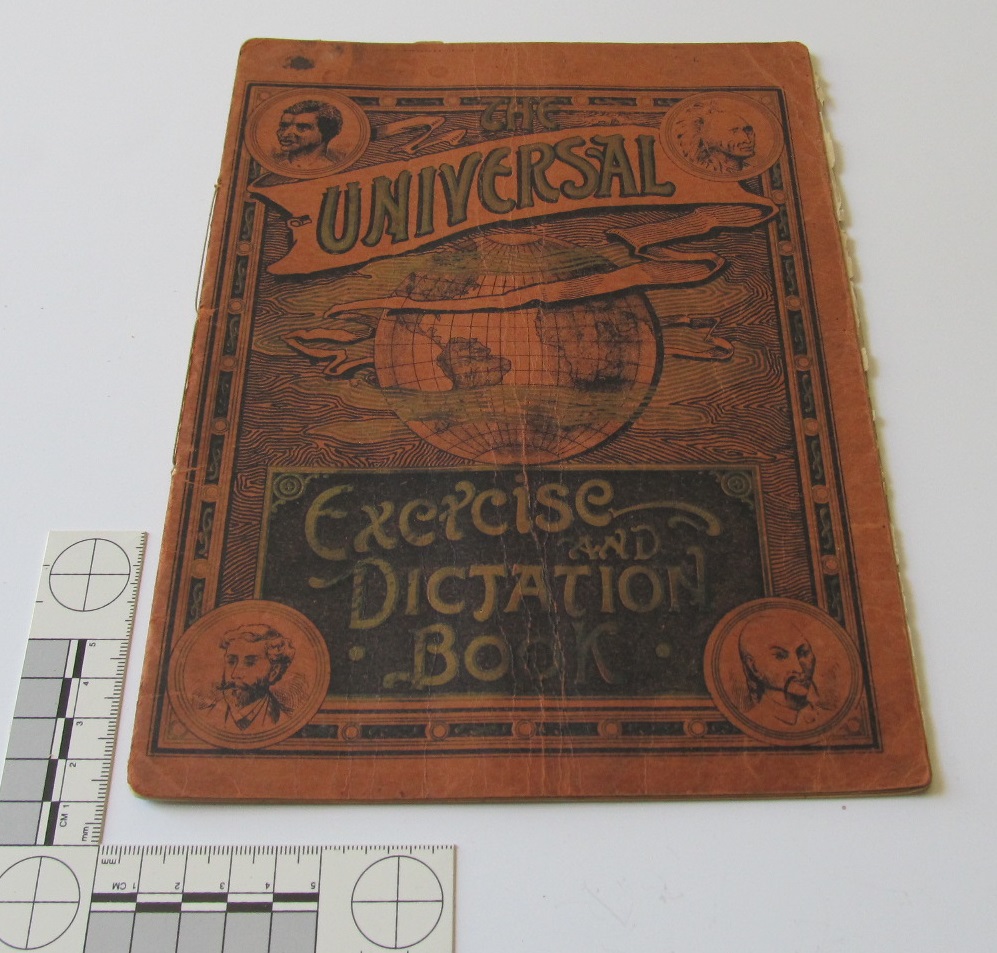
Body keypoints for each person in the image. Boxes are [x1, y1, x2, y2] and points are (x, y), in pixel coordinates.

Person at [737, 612, 827, 730]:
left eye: (803, 653)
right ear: (754, 667)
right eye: (780, 656)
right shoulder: (750, 723)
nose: (799, 669)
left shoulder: (827, 718)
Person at [208, 624, 297, 733]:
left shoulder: (285, 721)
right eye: (231, 662)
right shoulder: (205, 716)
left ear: (274, 672)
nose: (235, 674)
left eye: (250, 663)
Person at [674, 101, 757, 176]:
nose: (747, 139)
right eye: (734, 131)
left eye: (748, 130)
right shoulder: (699, 174)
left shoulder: (754, 175)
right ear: (709, 139)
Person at [274, 99, 345, 172]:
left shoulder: (337, 172)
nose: (285, 134)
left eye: (302, 127)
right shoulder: (275, 170)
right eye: (284, 126)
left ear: (326, 132)